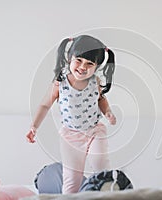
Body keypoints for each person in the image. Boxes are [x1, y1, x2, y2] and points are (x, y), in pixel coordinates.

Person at [26, 35, 116, 194]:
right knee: (72, 178)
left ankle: (106, 193)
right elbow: (45, 105)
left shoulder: (94, 82)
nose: (83, 67)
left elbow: (101, 99)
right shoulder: (60, 83)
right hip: (71, 136)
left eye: (90, 64)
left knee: (101, 164)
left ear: (96, 67)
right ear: (69, 58)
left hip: (95, 131)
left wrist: (107, 112)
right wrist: (34, 126)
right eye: (79, 60)